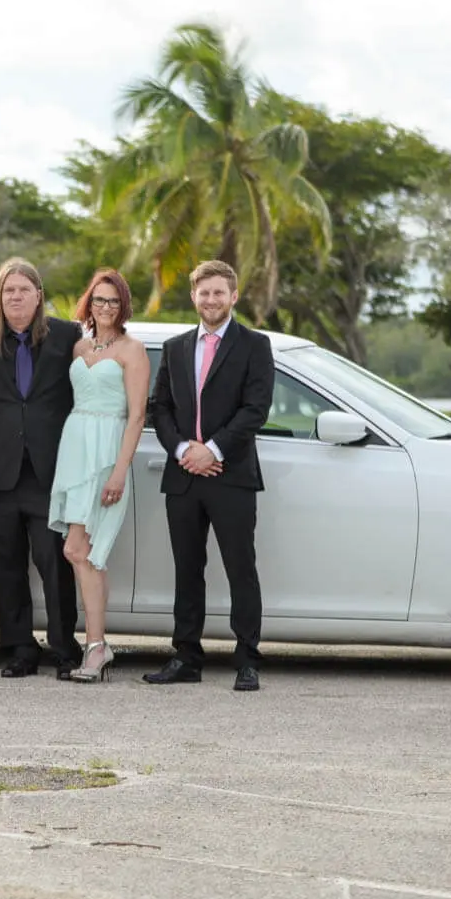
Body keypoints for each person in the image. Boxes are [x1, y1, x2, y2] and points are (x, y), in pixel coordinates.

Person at [143, 260, 275, 692]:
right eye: (204, 293)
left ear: (234, 296)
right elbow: (159, 407)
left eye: (219, 292)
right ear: (194, 296)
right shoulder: (177, 346)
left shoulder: (255, 345)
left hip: (231, 474)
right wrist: (183, 450)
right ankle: (186, 657)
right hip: (183, 477)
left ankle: (248, 660)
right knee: (187, 569)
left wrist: (213, 450)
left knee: (241, 568)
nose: (211, 300)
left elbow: (255, 409)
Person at [0, 258, 83, 678]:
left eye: (23, 290)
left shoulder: (68, 336)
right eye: (8, 290)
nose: (15, 297)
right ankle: (19, 649)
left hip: (50, 473)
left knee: (54, 564)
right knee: (8, 566)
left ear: (38, 296)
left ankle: (65, 649)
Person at [48, 269, 150, 683]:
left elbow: (137, 415)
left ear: (122, 305)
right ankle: (97, 644)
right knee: (82, 552)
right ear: (88, 303)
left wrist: (119, 472)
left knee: (81, 551)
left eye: (113, 300)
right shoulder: (78, 346)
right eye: (98, 300)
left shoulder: (133, 350)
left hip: (107, 453)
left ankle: (95, 646)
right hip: (74, 449)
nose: (105, 307)